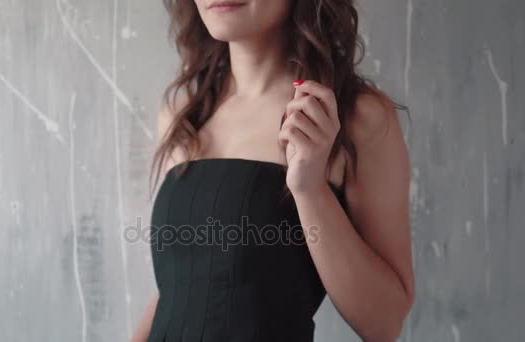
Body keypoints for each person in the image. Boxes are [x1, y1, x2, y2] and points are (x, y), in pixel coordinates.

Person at [132, 0, 415, 341]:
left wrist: (309, 189)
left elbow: (385, 323)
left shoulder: (356, 119)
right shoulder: (182, 117)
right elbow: (175, 293)